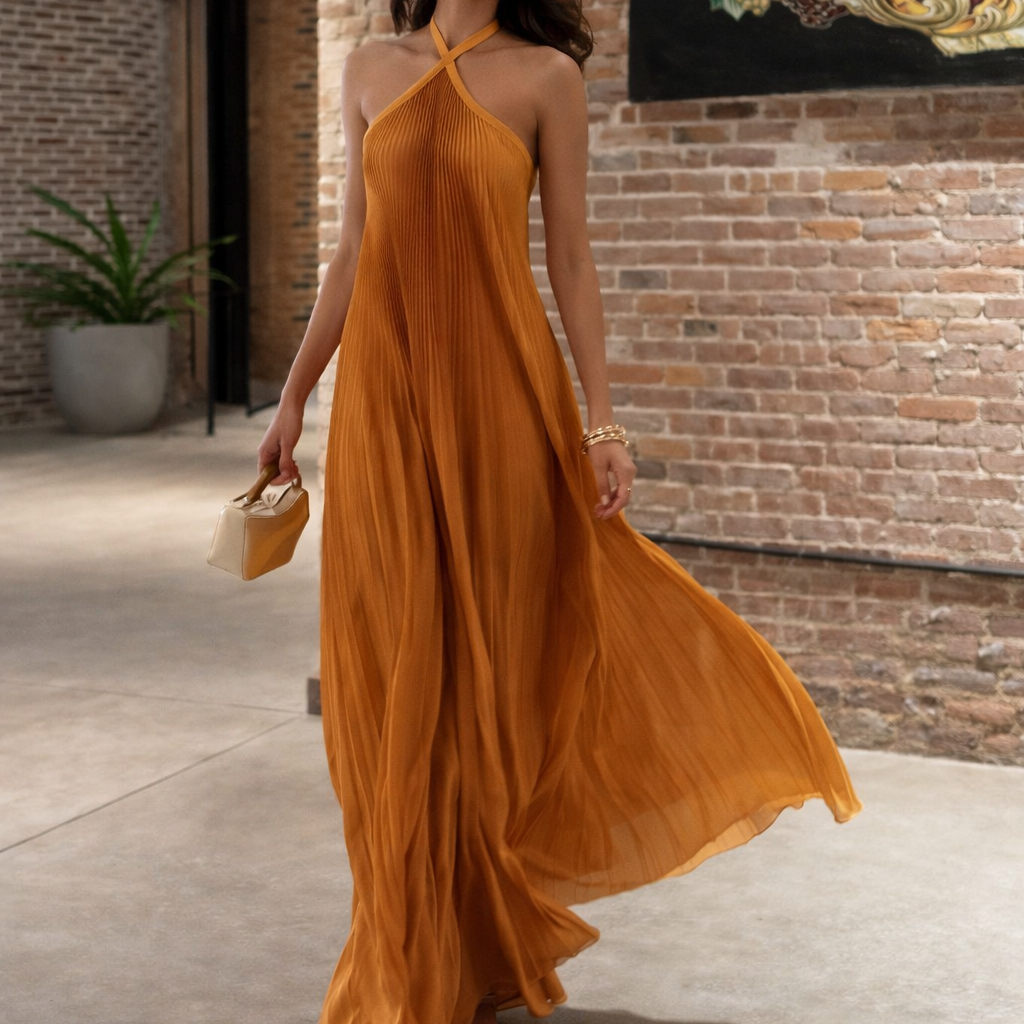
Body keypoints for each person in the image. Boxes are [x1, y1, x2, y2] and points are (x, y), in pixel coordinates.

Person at [257, 1, 865, 1022]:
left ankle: (474, 943)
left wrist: (600, 423)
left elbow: (570, 258)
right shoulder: (367, 68)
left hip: (503, 406)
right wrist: (291, 397)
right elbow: (353, 252)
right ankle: (408, 945)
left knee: (492, 675)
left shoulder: (545, 78)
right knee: (387, 670)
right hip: (386, 411)